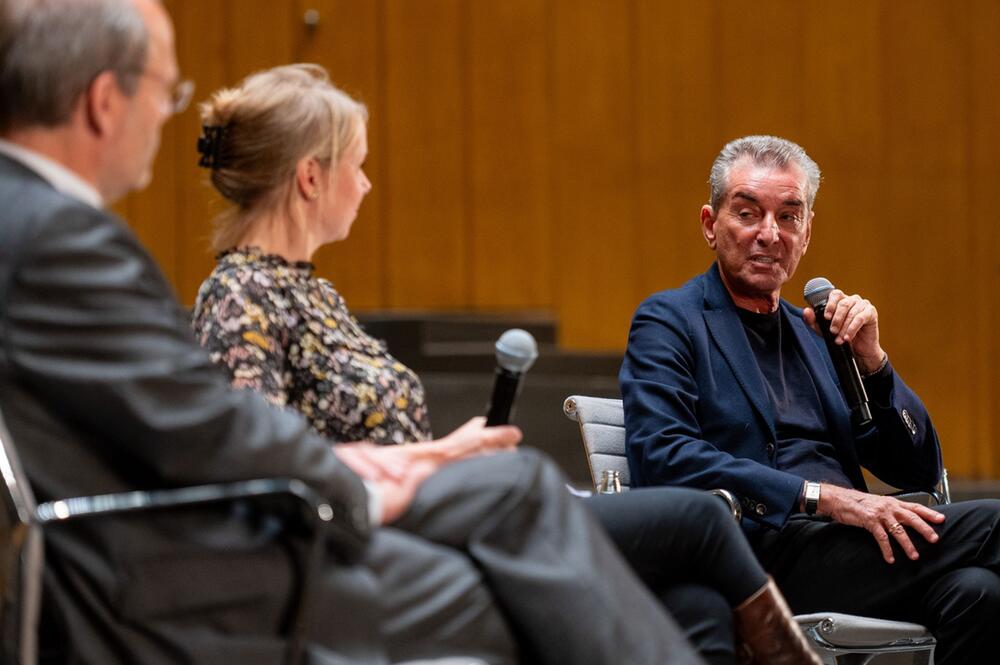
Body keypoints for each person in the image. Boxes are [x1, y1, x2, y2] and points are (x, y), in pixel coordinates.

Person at [0, 1, 716, 663]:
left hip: (179, 535)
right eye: (163, 91)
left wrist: (402, 462)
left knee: (532, 510)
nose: (166, 113)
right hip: (184, 570)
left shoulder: (38, 224)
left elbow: (188, 422)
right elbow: (212, 427)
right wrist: (363, 481)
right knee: (535, 566)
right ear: (102, 102)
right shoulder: (62, 238)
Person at [189, 66, 821, 665]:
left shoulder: (309, 291)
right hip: (383, 531)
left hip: (435, 503)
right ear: (310, 179)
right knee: (699, 519)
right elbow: (263, 472)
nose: (366, 184)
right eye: (357, 166)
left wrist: (445, 453)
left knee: (695, 597)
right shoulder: (241, 293)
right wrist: (430, 463)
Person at [619, 134, 1000, 665]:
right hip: (761, 554)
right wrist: (819, 496)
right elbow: (663, 456)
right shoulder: (670, 321)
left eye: (789, 217)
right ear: (710, 225)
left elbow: (919, 467)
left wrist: (875, 364)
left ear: (807, 231)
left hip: (859, 551)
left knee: (979, 592)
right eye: (748, 213)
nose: (769, 235)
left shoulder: (816, 334)